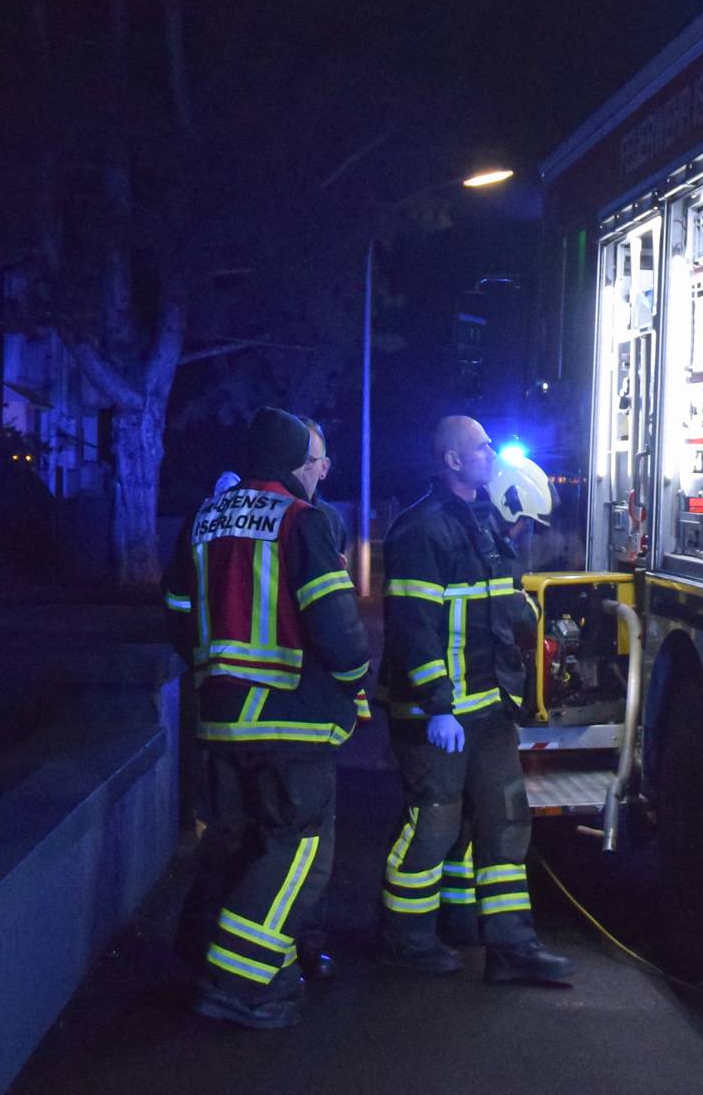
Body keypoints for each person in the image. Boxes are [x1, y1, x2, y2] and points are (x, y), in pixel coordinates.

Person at [161, 409, 372, 1028]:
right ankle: (238, 984)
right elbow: (335, 625)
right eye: (314, 461)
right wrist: (357, 682)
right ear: (288, 464)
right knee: (297, 853)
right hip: (292, 722)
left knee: (236, 844)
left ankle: (219, 961)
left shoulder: (202, 519)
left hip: (221, 718)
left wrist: (212, 668)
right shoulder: (304, 521)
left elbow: (176, 611)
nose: (321, 472)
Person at [375, 416, 574, 985]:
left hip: (486, 709)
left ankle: (511, 948)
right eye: (482, 447)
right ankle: (405, 939)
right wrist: (438, 704)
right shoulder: (420, 530)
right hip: (434, 715)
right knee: (433, 824)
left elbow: (497, 605)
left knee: (506, 820)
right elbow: (415, 627)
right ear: (453, 461)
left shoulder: (482, 523)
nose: (492, 453)